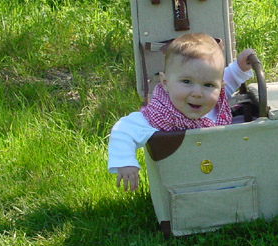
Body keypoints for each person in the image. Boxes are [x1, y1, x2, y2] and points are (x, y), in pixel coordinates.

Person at [108, 32, 255, 192]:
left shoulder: (213, 102)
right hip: (181, 186)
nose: (198, 93)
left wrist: (239, 68)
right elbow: (124, 130)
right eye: (186, 82)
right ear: (165, 82)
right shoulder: (159, 115)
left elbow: (227, 80)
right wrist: (125, 161)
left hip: (219, 175)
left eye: (208, 85)